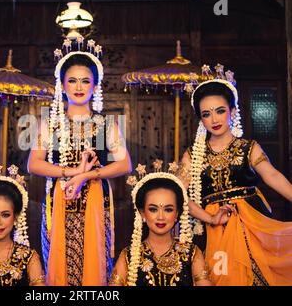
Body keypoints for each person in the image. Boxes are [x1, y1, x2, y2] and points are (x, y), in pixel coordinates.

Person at [27, 39, 132, 286]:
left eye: (85, 81)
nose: (79, 87)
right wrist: (73, 171)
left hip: (97, 205)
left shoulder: (106, 124)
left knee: (96, 265)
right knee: (59, 264)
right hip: (58, 205)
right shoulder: (50, 123)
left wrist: (88, 175)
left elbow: (124, 164)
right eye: (72, 81)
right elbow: (34, 164)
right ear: (62, 86)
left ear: (95, 86)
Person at [180, 68, 292, 285]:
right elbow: (179, 195)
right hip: (211, 227)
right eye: (206, 114)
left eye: (220, 111)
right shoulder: (192, 154)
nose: (214, 119)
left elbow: (273, 176)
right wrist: (209, 217)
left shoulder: (248, 148)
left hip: (250, 223)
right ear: (200, 120)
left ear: (232, 111)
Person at [110, 162, 215, 286]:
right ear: (142, 213)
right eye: (153, 209)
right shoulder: (128, 256)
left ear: (177, 214)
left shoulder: (191, 254)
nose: (160, 217)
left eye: (168, 209)